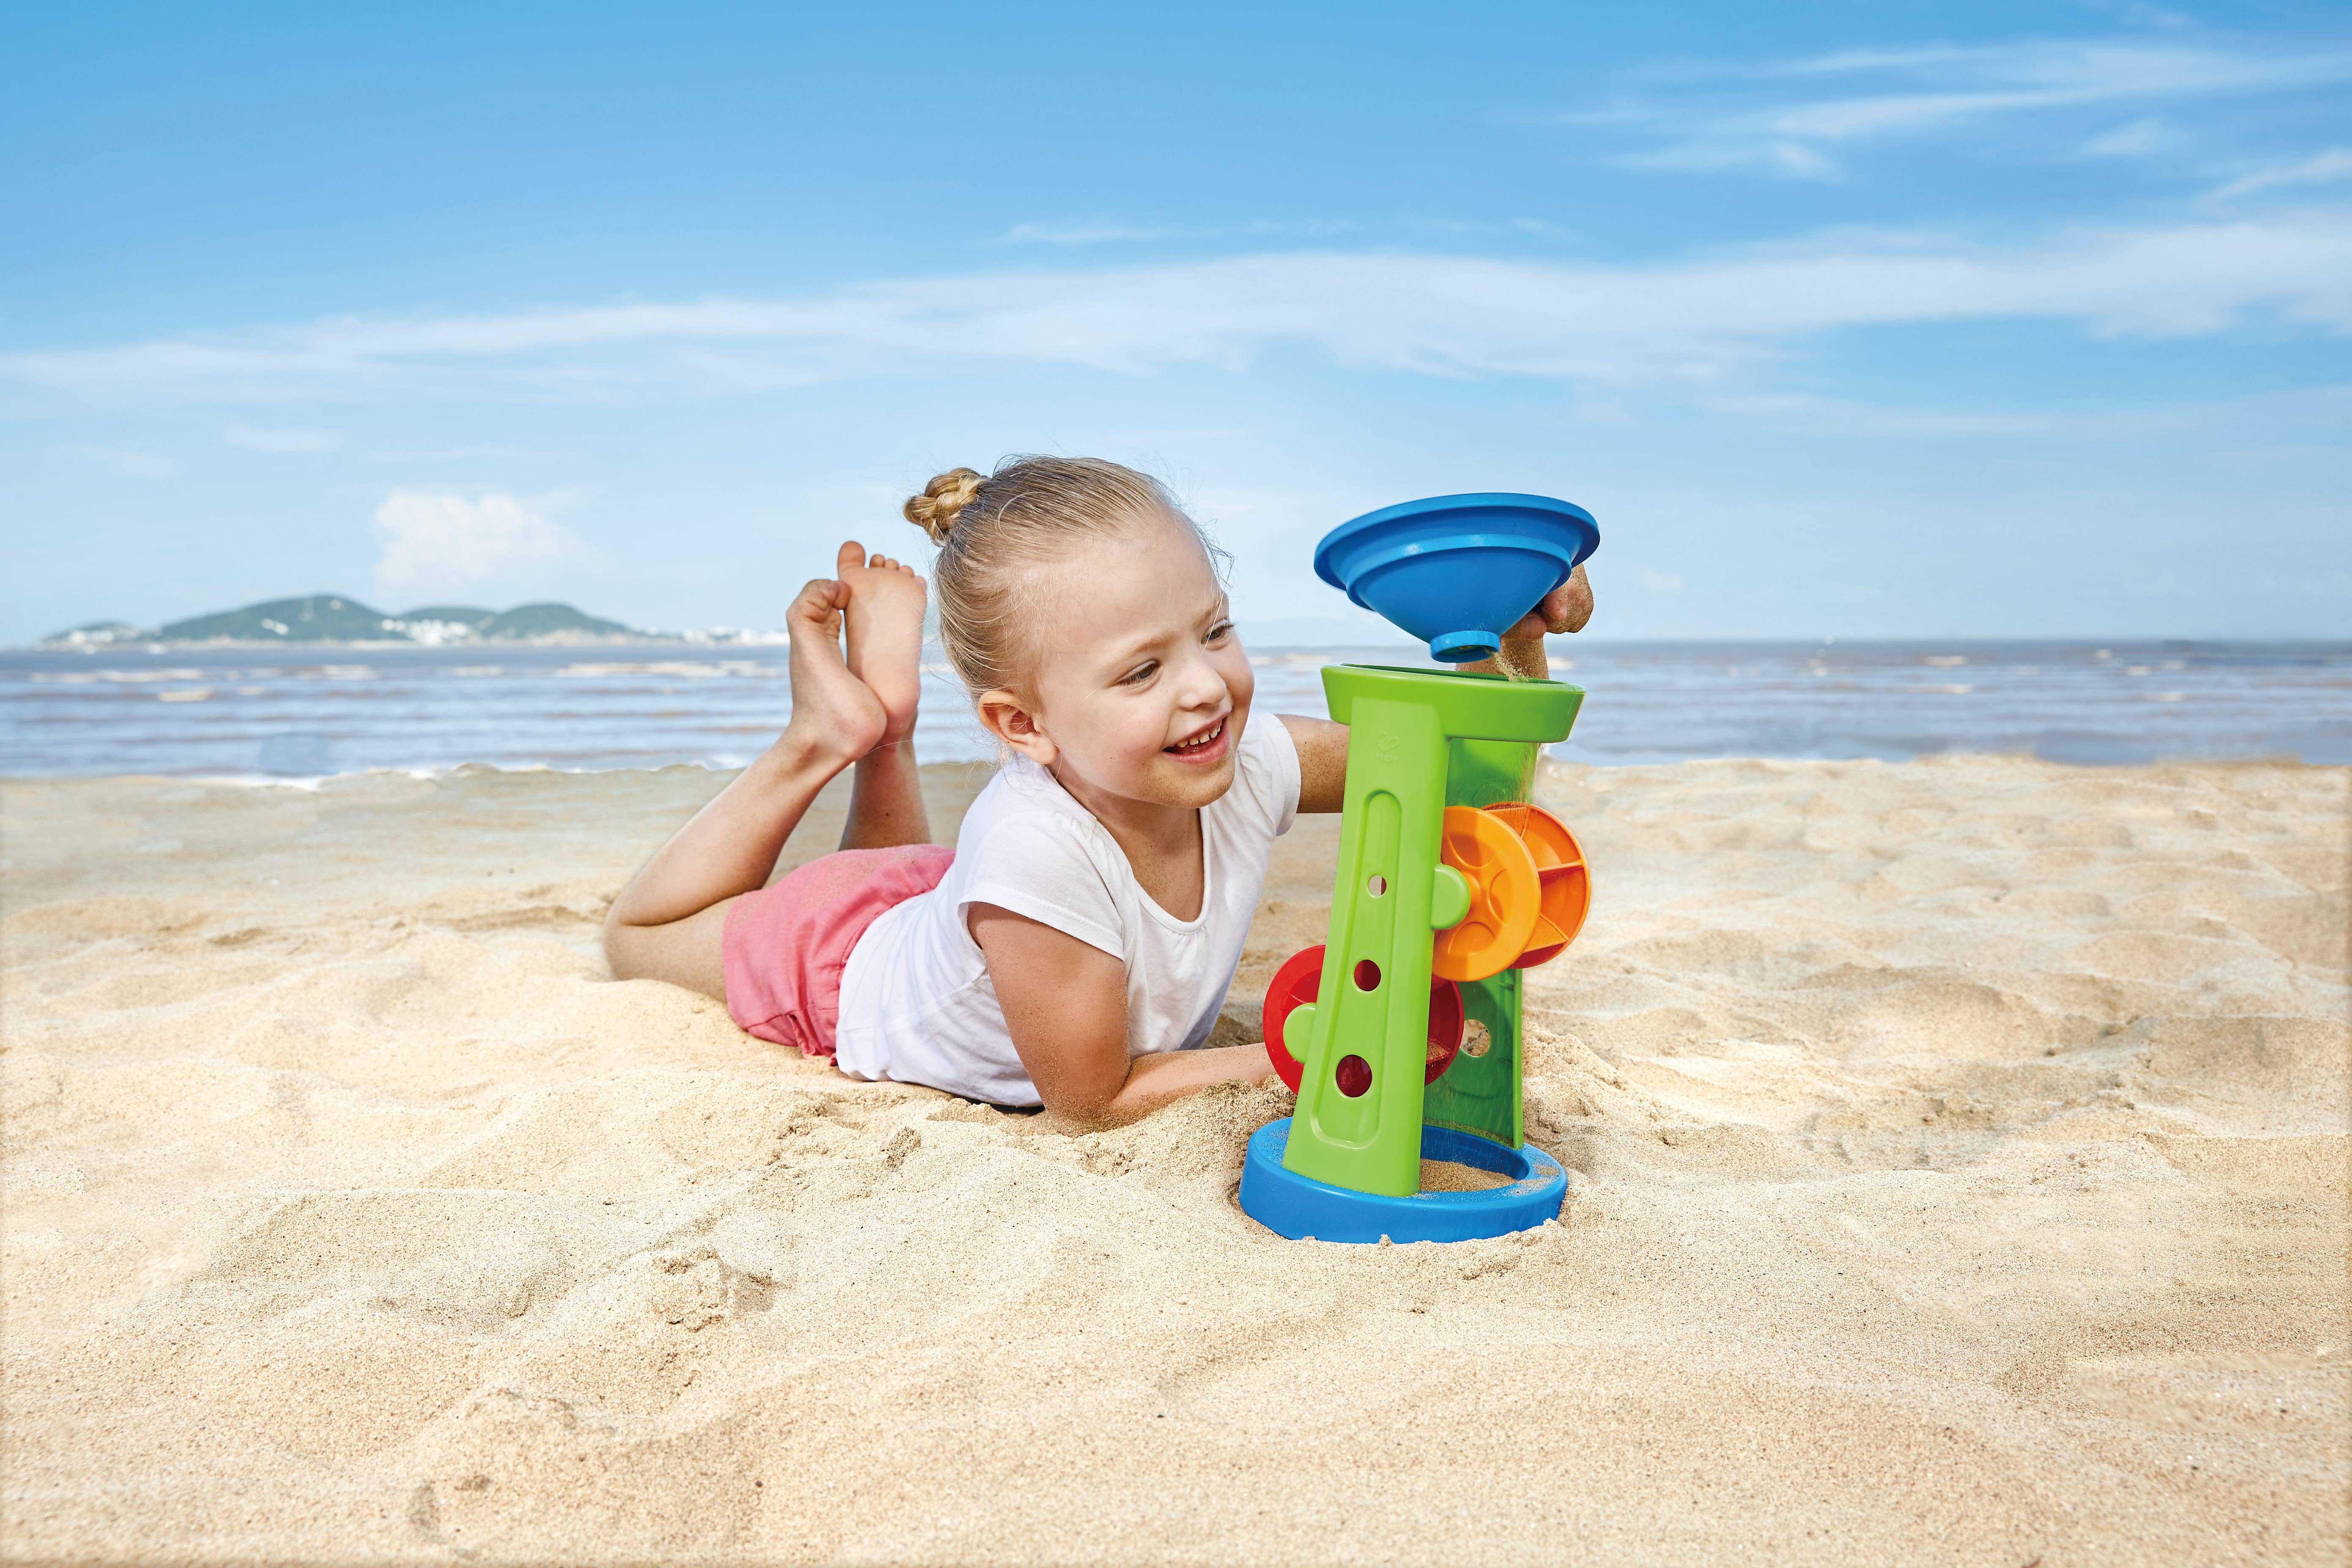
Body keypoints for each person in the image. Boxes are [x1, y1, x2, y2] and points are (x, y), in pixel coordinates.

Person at [603, 457, 1591, 1125]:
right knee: (636, 939)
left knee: (909, 881)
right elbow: (1094, 1101)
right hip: (838, 957)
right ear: (1022, 725)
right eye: (1139, 672)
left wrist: (1513, 637)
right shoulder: (1032, 852)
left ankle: (886, 736)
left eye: (1212, 631)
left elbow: (1460, 781)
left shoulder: (1239, 759)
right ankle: (827, 734)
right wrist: (1321, 1043)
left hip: (954, 905)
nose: (1205, 684)